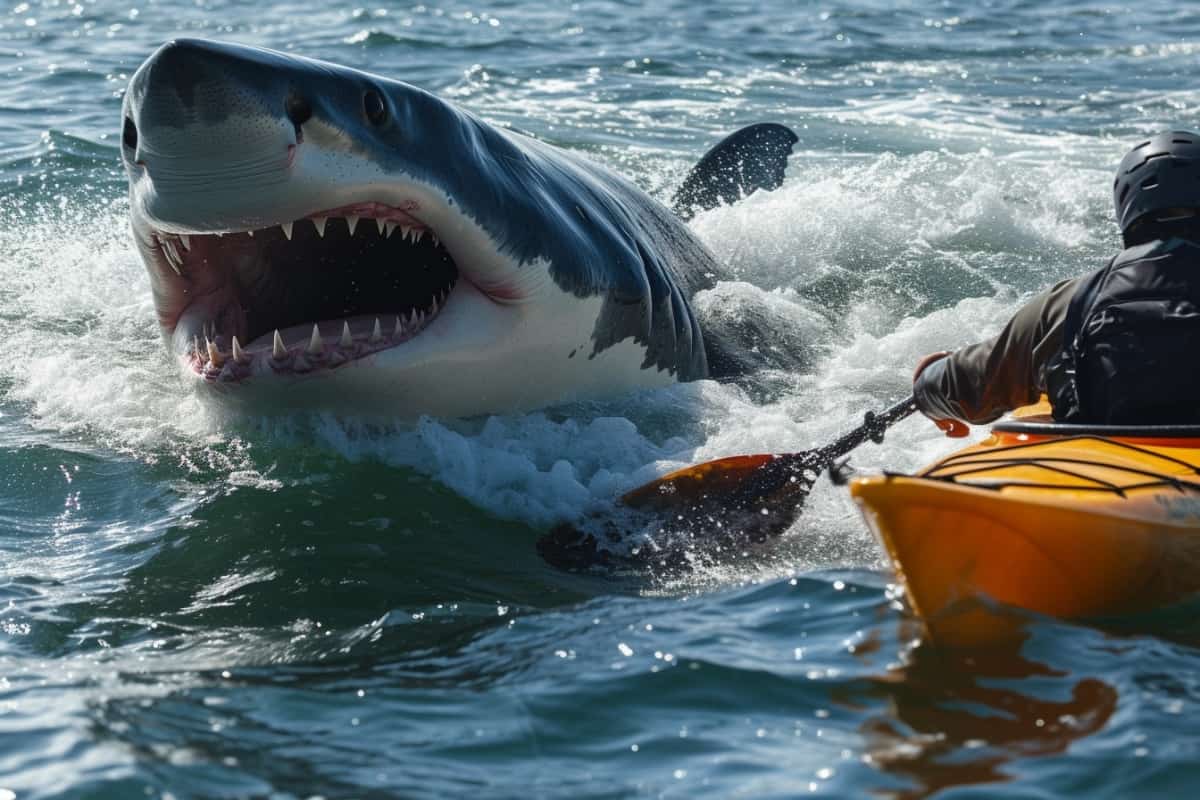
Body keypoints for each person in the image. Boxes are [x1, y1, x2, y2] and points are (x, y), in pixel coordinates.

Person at [913, 130, 1200, 434]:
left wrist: (928, 380)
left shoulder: (1072, 303)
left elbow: (969, 390)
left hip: (1105, 470)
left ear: (1127, 207)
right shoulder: (1071, 302)